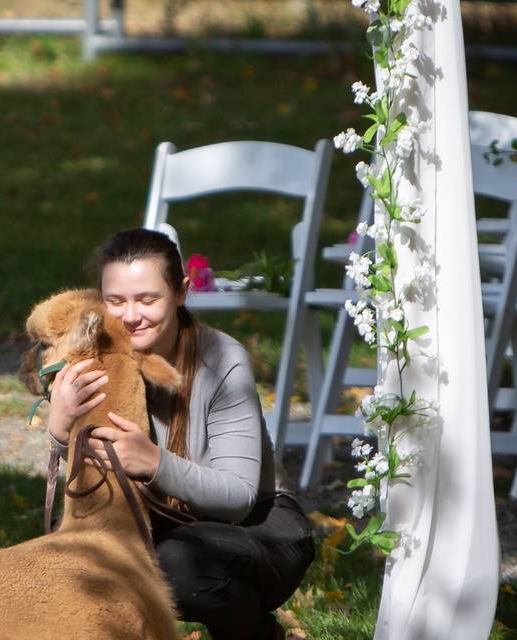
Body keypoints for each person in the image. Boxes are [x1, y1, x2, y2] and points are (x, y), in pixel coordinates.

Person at [45, 227, 315, 640]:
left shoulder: (221, 358)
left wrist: (153, 461)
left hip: (259, 525)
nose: (131, 316)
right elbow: (96, 478)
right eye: (116, 301)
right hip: (166, 523)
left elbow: (240, 497)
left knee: (179, 567)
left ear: (182, 292)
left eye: (148, 299)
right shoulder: (101, 356)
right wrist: (62, 432)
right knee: (84, 563)